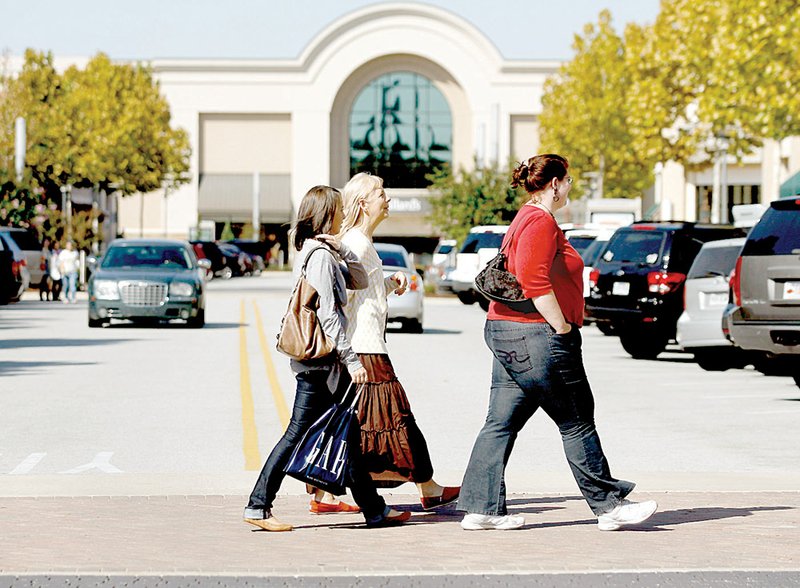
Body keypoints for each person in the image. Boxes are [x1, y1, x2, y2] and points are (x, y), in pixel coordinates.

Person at [457, 154, 657, 531]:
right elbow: (534, 282)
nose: (569, 188)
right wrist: (562, 328)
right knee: (577, 418)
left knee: (501, 421)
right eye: (567, 182)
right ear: (553, 184)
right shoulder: (539, 222)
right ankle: (609, 506)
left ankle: (481, 509)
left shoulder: (525, 218)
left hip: (508, 330)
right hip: (535, 334)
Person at [244, 185, 411, 532]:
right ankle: (259, 506)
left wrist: (344, 252)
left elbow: (360, 280)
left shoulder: (326, 251)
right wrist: (352, 361)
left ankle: (374, 509)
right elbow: (329, 314)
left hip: (324, 363)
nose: (342, 214)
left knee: (346, 433)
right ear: (327, 214)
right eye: (337, 209)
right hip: (320, 364)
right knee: (296, 434)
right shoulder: (319, 256)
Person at [304, 172, 457, 513]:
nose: (387, 200)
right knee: (393, 420)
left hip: (366, 346)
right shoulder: (357, 244)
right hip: (366, 349)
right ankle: (427, 488)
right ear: (362, 204)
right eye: (381, 194)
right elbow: (342, 301)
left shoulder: (362, 243)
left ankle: (324, 494)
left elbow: (361, 295)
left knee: (363, 422)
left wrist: (388, 283)